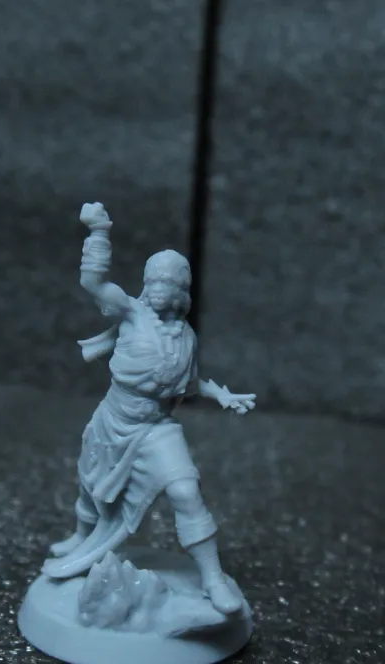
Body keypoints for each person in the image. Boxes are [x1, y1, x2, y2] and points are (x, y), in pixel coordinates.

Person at [42, 202, 255, 614]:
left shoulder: (185, 336)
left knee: (185, 492)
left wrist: (222, 396)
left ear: (182, 290)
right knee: (91, 482)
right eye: (154, 280)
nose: (160, 288)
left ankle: (213, 578)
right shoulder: (131, 313)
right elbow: (93, 282)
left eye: (169, 282)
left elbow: (188, 382)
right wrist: (99, 232)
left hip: (157, 428)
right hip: (113, 420)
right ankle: (81, 534)